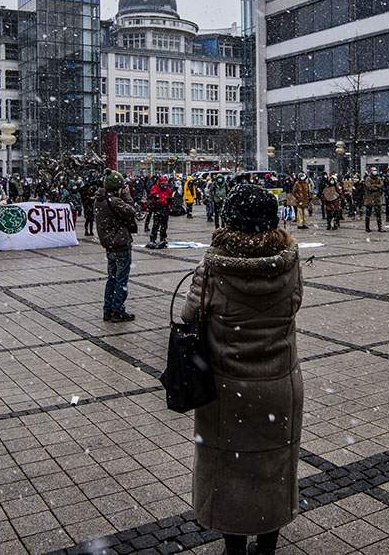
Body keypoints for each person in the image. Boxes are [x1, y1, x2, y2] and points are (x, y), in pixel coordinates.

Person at [179, 185, 301, 555]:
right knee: (273, 466)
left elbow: (189, 316)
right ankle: (266, 545)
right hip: (279, 384)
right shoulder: (289, 263)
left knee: (228, 471)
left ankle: (234, 546)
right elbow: (293, 304)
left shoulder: (213, 269)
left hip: (227, 389)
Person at [95, 170, 136, 322]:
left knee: (111, 279)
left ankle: (107, 310)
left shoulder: (99, 200)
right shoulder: (114, 201)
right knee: (121, 280)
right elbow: (131, 211)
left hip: (109, 245)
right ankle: (118, 310)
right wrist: (126, 196)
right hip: (120, 244)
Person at [147, 176, 174, 248]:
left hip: (165, 209)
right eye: (162, 184)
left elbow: (169, 196)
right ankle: (153, 239)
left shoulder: (167, 189)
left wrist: (170, 201)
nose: (164, 185)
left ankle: (163, 238)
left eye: (165, 184)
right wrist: (164, 199)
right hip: (158, 208)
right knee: (156, 225)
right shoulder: (155, 188)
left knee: (164, 225)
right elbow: (155, 196)